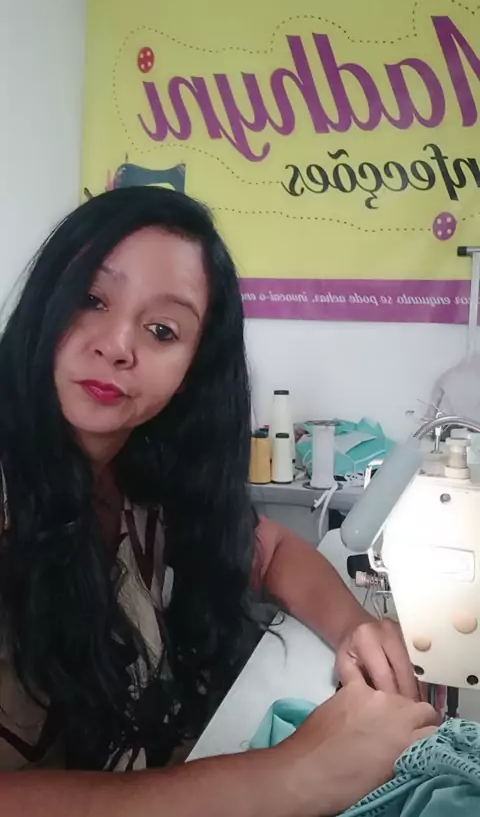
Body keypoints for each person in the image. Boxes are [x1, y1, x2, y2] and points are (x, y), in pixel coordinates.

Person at [0, 187, 437, 815]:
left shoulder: (141, 486)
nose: (118, 344)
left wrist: (355, 627)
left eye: (162, 330)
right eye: (90, 299)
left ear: (192, 371)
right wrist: (290, 774)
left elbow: (269, 547)